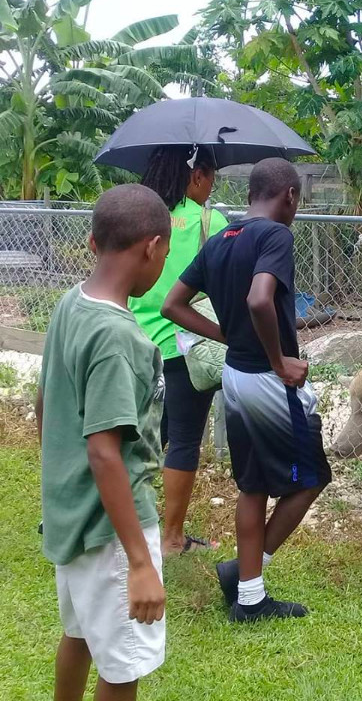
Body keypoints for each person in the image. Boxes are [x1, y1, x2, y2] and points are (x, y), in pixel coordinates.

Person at [162, 158, 331, 622]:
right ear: (289, 196)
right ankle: (244, 570)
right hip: (265, 380)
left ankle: (250, 597)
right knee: (312, 479)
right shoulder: (276, 235)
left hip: (234, 377)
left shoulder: (220, 240)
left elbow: (172, 304)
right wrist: (280, 362)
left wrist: (227, 336)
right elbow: (260, 298)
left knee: (253, 486)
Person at [38, 184, 170, 701]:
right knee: (122, 667)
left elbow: (47, 403)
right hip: (111, 531)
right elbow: (103, 449)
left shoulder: (72, 303)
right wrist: (139, 562)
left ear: (93, 243)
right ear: (152, 248)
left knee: (79, 637)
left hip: (71, 516)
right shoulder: (119, 339)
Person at [130, 145, 227, 556]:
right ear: (196, 176)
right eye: (211, 179)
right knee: (184, 440)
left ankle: (118, 523)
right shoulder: (211, 221)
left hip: (135, 343)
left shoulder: (141, 217)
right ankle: (171, 538)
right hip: (189, 345)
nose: (211, 189)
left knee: (134, 437)